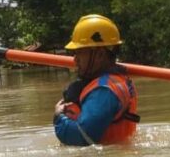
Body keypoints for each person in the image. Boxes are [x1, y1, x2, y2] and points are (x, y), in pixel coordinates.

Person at [53, 14, 139, 146]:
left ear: (99, 55)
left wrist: (59, 117)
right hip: (118, 155)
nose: (75, 59)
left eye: (80, 52)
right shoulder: (118, 79)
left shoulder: (103, 91)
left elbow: (83, 137)